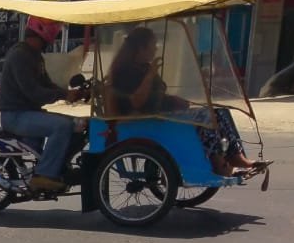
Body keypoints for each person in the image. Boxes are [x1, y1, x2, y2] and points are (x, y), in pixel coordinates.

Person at [106, 26, 266, 176]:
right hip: (145, 120)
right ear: (140, 48)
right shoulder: (125, 71)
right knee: (206, 117)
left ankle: (235, 155)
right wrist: (150, 75)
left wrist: (175, 100)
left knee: (220, 112)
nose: (155, 49)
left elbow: (157, 94)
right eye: (152, 45)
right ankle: (217, 161)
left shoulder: (144, 66)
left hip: (160, 114)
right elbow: (137, 102)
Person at [0, 17, 84, 193]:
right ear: (43, 33)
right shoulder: (20, 55)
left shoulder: (34, 55)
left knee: (78, 124)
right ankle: (44, 175)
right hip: (15, 115)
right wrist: (63, 94)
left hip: (28, 113)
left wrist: (71, 94)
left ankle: (60, 167)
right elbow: (34, 92)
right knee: (62, 126)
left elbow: (47, 85)